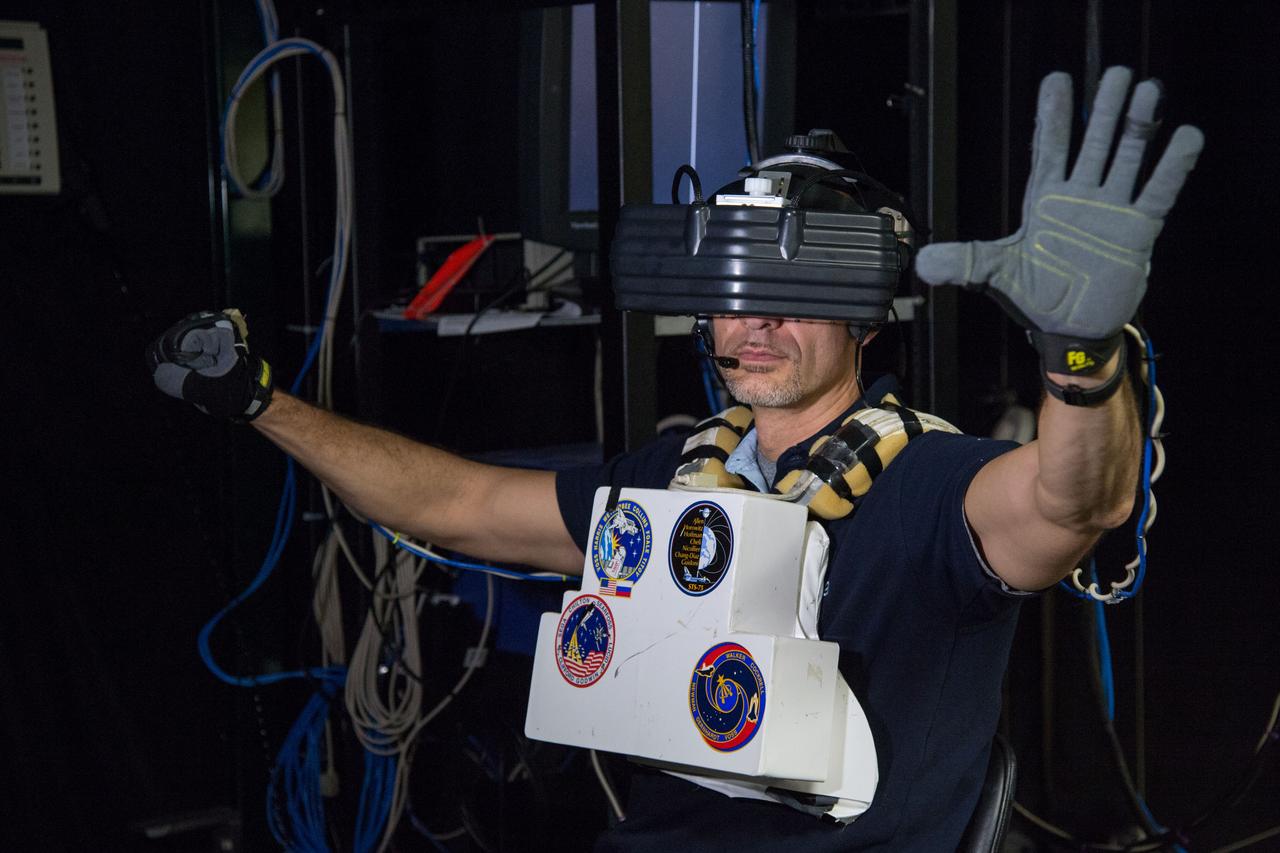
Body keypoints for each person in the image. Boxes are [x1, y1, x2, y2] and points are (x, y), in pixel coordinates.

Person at [148, 67, 1202, 850]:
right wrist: (262, 402)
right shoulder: (672, 479)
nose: (757, 323)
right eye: (733, 290)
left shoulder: (935, 483)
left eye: (802, 292)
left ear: (867, 315)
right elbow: (458, 504)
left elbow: (1074, 503)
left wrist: (1079, 357)